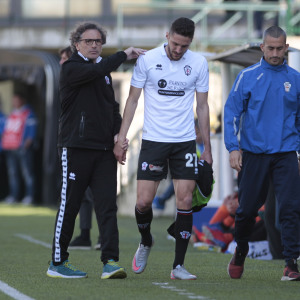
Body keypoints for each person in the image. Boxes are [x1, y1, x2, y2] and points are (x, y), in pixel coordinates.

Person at [114, 17, 212, 280]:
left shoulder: (199, 63)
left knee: (186, 200)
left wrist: (208, 148)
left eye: (185, 46)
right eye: (176, 43)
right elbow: (133, 101)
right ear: (167, 35)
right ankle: (146, 240)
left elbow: (202, 106)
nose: (179, 50)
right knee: (144, 201)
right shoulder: (147, 60)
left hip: (185, 142)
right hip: (154, 140)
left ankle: (178, 266)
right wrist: (122, 139)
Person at [46, 21, 145, 279]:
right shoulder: (71, 68)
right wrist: (124, 54)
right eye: (88, 41)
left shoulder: (103, 72)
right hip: (75, 148)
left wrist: (117, 136)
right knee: (70, 205)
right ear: (76, 44)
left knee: (107, 206)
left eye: (98, 41)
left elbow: (111, 108)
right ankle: (57, 262)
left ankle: (110, 261)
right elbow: (98, 68)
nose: (94, 45)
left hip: (103, 151)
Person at [224, 25, 300, 281]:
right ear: (262, 47)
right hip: (254, 155)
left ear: (286, 47)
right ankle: (241, 252)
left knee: (290, 208)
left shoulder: (296, 79)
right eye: (271, 48)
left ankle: (291, 264)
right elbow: (231, 114)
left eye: (280, 48)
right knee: (246, 211)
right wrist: (233, 148)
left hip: (286, 154)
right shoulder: (247, 76)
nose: (275, 53)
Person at [59, 46, 100, 251]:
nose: (61, 64)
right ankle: (86, 235)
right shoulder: (72, 79)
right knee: (84, 195)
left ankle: (100, 237)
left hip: (88, 145)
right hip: (76, 142)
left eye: (64, 59)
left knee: (95, 195)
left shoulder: (87, 76)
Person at [1, 92, 37, 205]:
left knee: (27, 173)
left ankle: (29, 196)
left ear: (22, 100)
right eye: (13, 100)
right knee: (13, 174)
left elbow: (31, 133)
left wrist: (25, 145)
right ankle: (14, 196)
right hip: (10, 148)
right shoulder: (11, 114)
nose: (14, 102)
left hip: (22, 149)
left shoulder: (29, 114)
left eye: (16, 100)